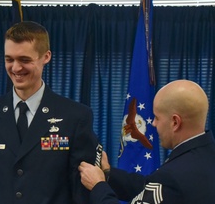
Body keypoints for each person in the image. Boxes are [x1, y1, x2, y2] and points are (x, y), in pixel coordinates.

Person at [0, 21, 100, 204]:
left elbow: (81, 191)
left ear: (46, 57)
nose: (16, 68)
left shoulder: (75, 116)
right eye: (9, 59)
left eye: (25, 60)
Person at [78, 79, 215, 204]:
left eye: (157, 117)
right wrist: (108, 174)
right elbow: (147, 186)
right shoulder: (204, 156)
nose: (154, 124)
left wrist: (98, 186)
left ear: (175, 122)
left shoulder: (173, 176)